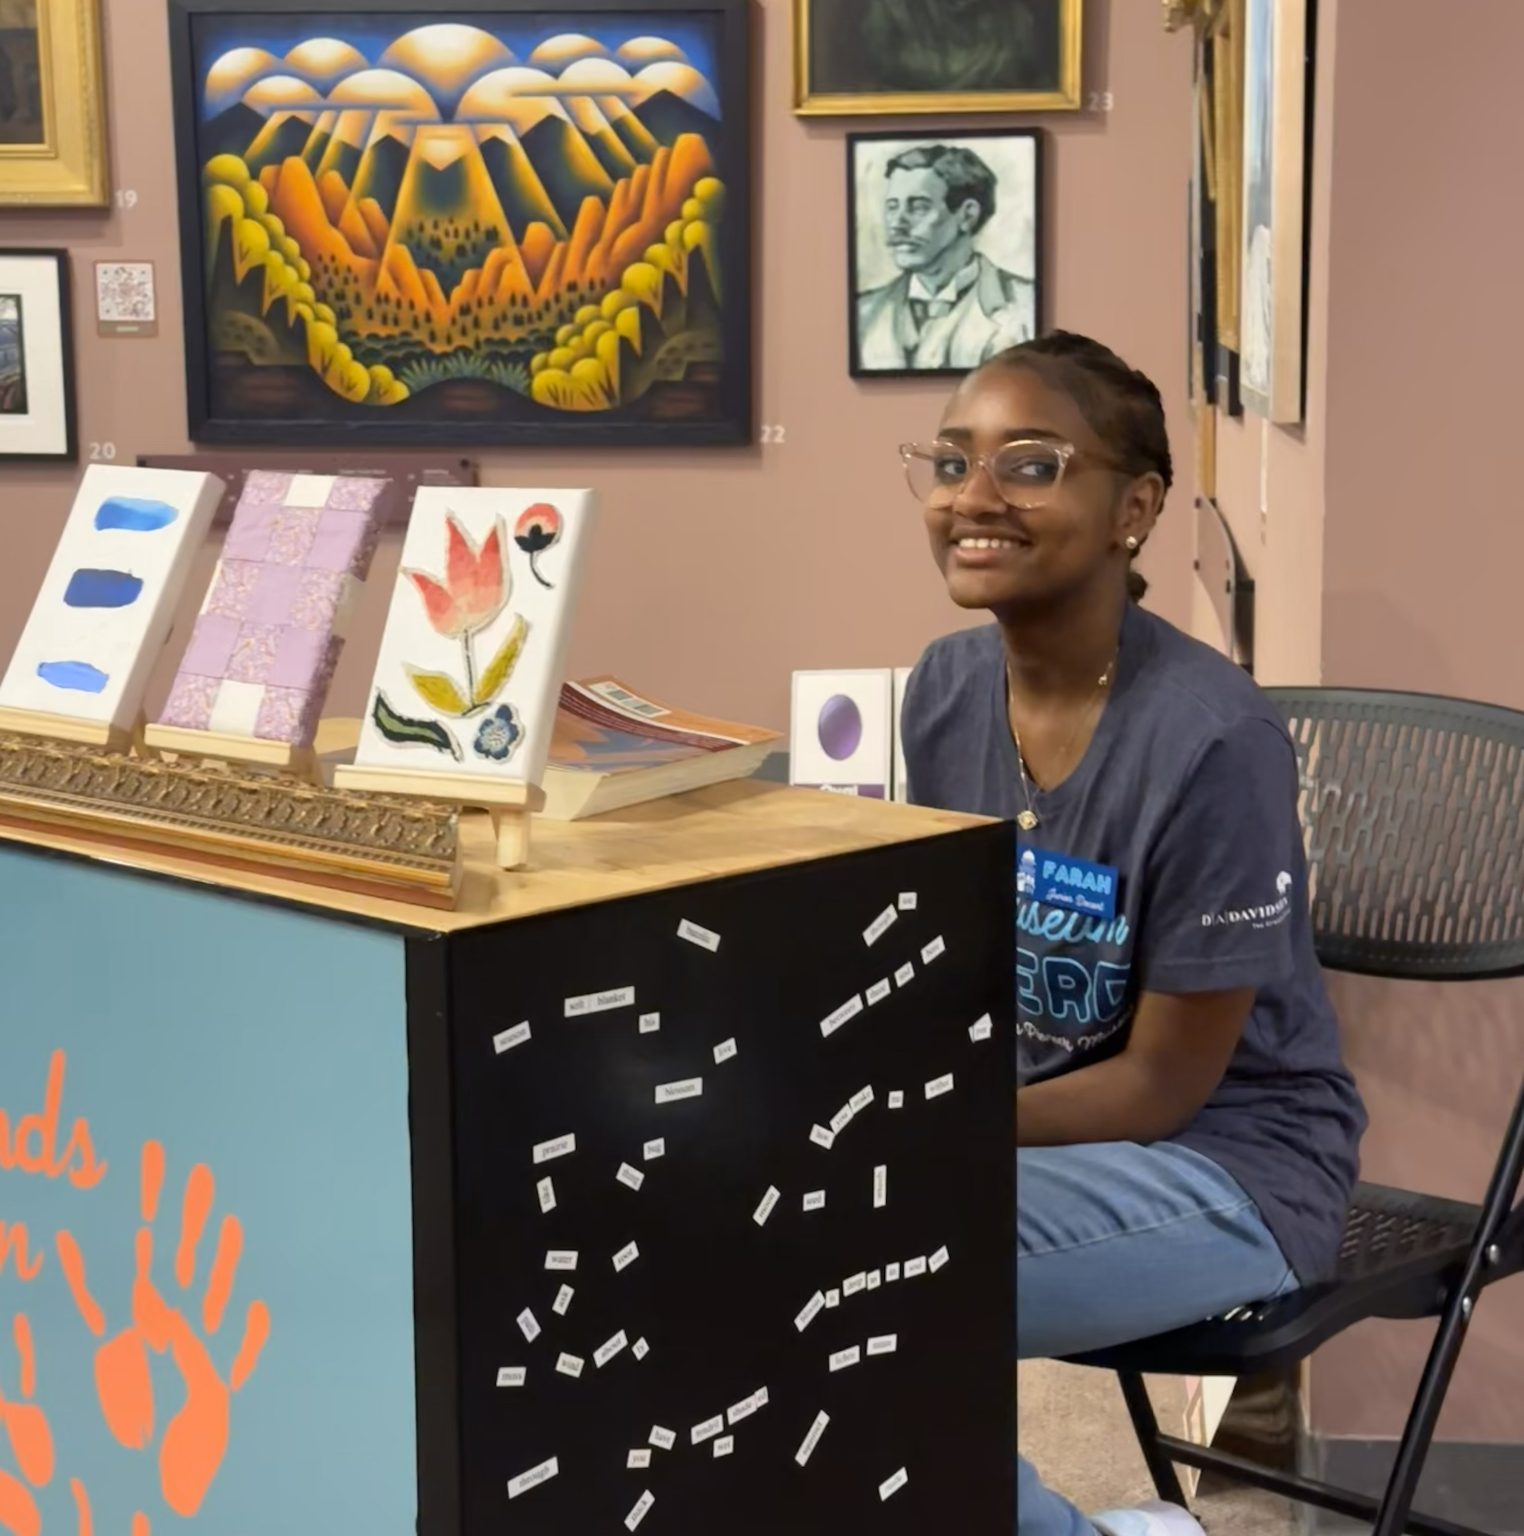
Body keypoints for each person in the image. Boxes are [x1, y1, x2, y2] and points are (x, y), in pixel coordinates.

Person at [897, 332, 1367, 1536]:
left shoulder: (1213, 741)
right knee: (784, 1221)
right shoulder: (945, 691)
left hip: (1235, 1165)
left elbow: (1163, 1085)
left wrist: (927, 1120)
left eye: (1033, 464)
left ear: (1135, 507)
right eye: (953, 461)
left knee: (877, 1271)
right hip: (1042, 1131)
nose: (975, 497)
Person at [856, 143, 1035, 372]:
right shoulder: (863, 311)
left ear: (967, 215)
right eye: (892, 207)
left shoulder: (1025, 305)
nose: (896, 224)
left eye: (918, 207)